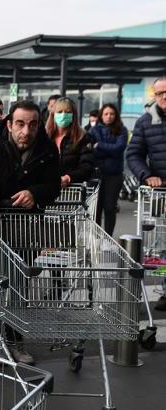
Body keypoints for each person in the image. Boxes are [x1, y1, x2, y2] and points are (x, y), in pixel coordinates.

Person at [0, 100, 61, 365]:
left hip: (27, 226)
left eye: (33, 124)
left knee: (19, 284)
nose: (27, 130)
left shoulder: (47, 149)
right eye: (21, 124)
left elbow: (53, 186)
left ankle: (15, 341)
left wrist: (34, 193)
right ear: (9, 125)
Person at [127, 76, 166, 310]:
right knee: (161, 246)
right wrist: (146, 175)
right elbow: (134, 154)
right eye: (159, 93)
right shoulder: (145, 122)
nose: (164, 97)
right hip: (161, 193)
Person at [91, 103, 128, 236]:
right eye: (106, 114)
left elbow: (119, 149)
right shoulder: (94, 130)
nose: (109, 116)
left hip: (114, 175)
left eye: (112, 114)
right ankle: (95, 237)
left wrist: (100, 145)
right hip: (97, 174)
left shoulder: (122, 130)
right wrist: (108, 150)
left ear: (116, 115)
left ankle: (108, 238)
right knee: (96, 208)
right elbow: (91, 151)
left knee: (110, 207)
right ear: (101, 115)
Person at [45, 97, 94, 188]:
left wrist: (69, 177)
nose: (63, 115)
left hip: (72, 191)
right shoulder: (45, 138)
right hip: (47, 189)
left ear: (73, 115)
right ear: (53, 115)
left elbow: (87, 166)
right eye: (59, 112)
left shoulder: (82, 138)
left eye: (68, 112)